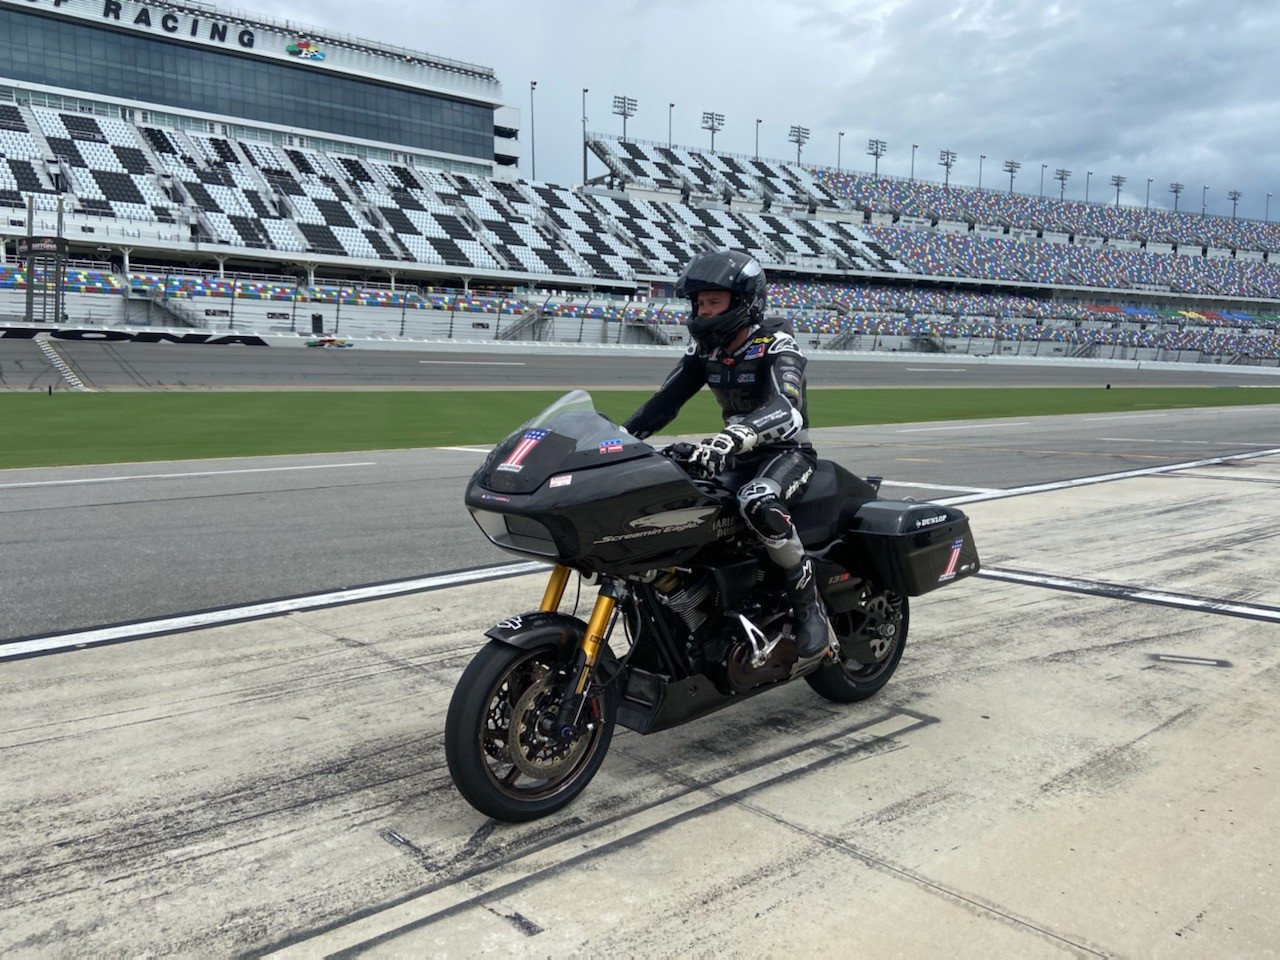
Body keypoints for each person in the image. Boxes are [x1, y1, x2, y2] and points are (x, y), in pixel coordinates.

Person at [623, 249, 831, 659]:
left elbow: (788, 409)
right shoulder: (706, 351)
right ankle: (699, 604)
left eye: (713, 301)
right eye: (699, 302)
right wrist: (618, 439)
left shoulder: (777, 345)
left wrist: (739, 433)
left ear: (743, 301)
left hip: (785, 453)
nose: (702, 311)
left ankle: (811, 609)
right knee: (673, 489)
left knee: (758, 501)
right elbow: (663, 403)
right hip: (734, 453)